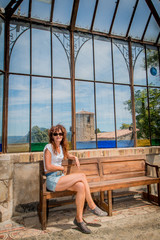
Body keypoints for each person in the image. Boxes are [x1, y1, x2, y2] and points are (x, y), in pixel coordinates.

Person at [43, 124, 107, 234]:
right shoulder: (48, 148)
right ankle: (92, 206)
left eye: (60, 134)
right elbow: (48, 167)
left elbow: (67, 155)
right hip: (52, 180)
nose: (58, 136)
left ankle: (79, 219)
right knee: (81, 176)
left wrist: (74, 157)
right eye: (55, 134)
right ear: (52, 136)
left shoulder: (61, 148)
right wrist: (60, 167)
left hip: (61, 178)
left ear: (63, 135)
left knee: (81, 186)